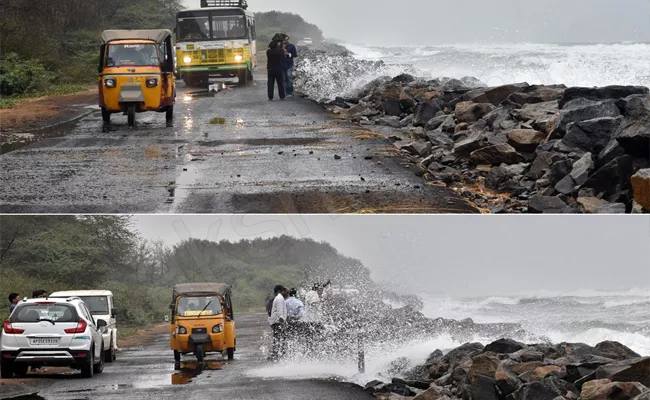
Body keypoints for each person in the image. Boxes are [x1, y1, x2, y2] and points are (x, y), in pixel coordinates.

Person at [268, 285, 288, 361]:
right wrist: (282, 319)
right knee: (279, 338)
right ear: (280, 291)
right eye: (284, 291)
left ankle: (276, 354)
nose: (285, 293)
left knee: (277, 338)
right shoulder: (279, 298)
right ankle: (276, 354)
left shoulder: (279, 297)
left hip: (276, 321)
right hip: (278, 321)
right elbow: (280, 310)